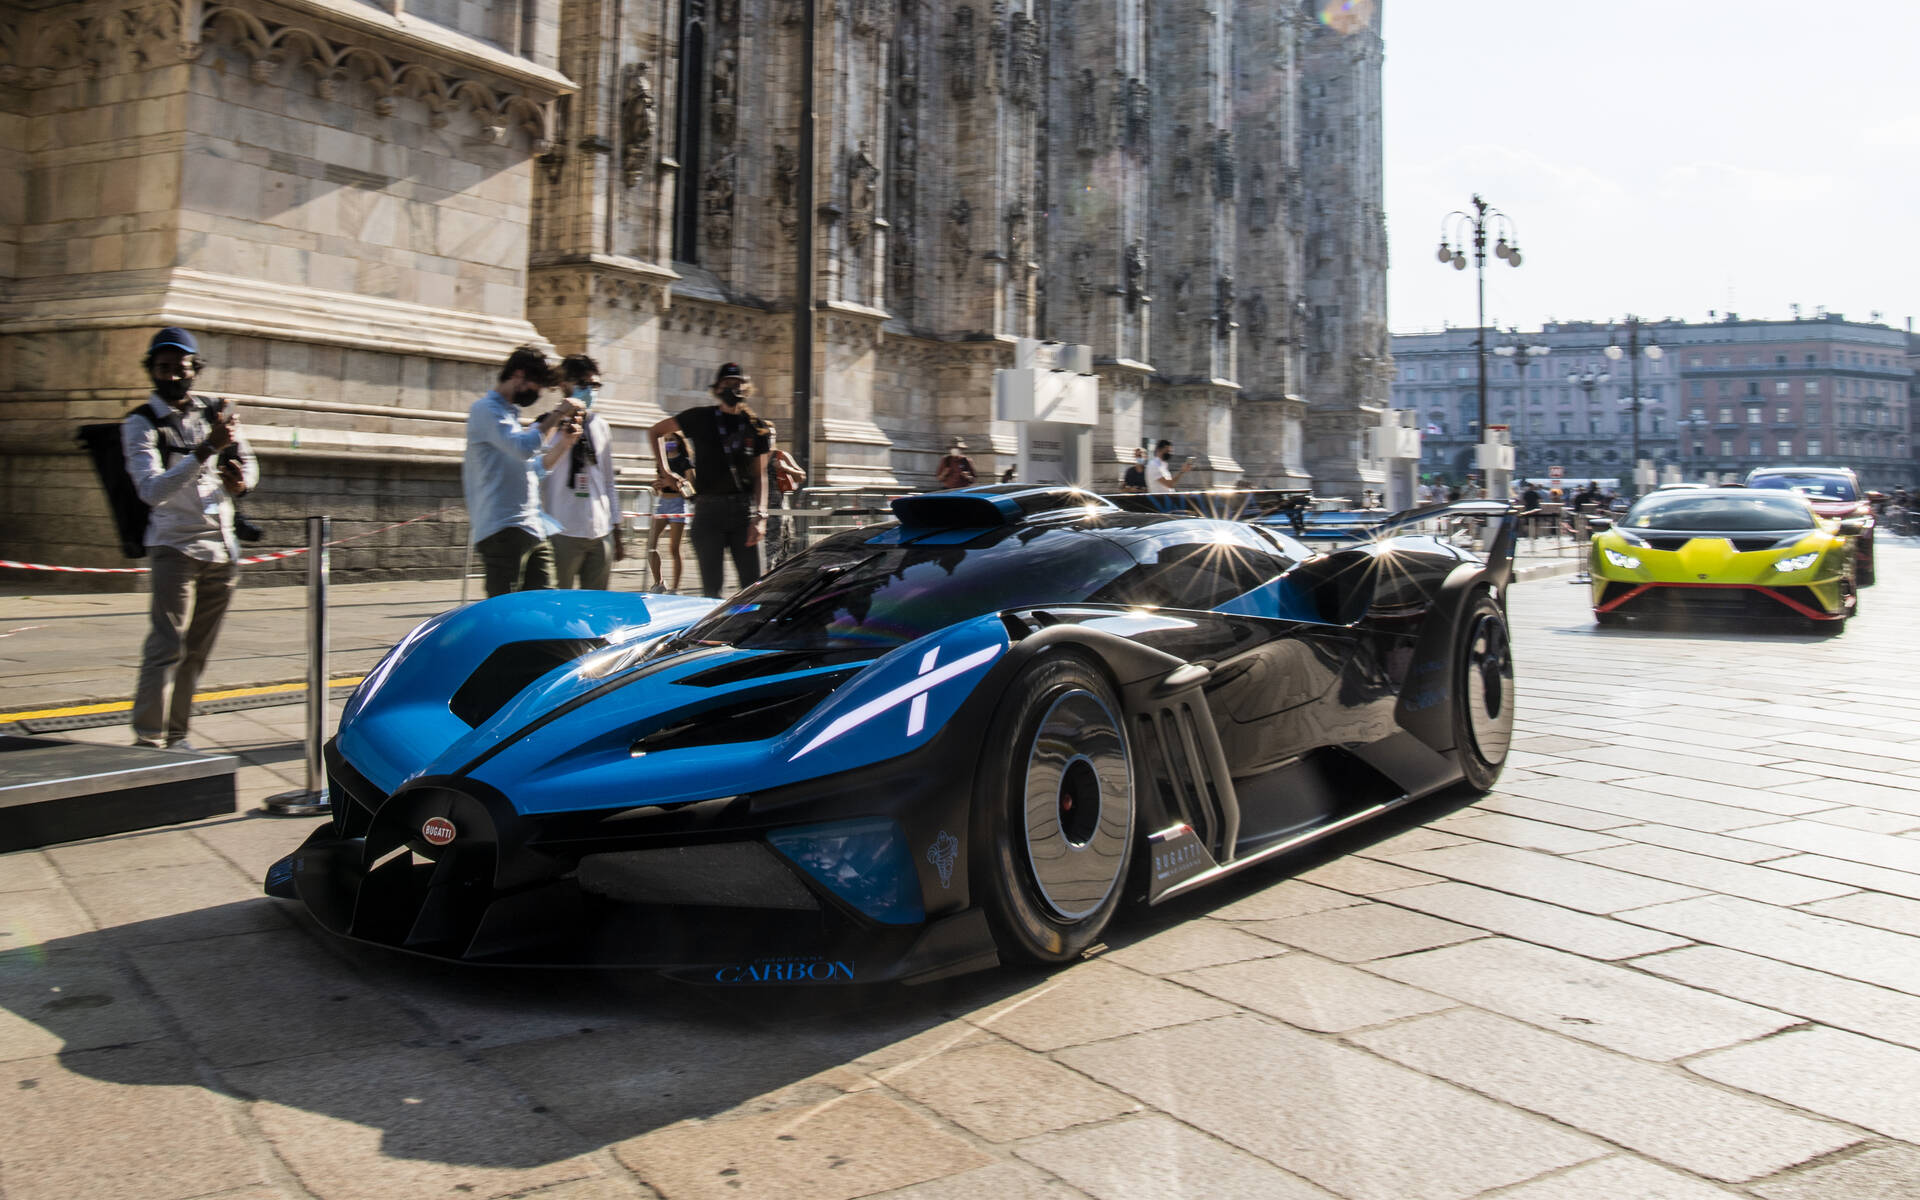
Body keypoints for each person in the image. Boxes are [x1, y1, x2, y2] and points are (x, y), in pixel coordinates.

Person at [124, 327, 260, 750]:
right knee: (166, 646)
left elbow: (249, 460)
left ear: (194, 369)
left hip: (222, 548)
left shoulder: (216, 411)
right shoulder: (141, 423)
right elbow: (151, 491)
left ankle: (178, 735)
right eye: (162, 368)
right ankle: (149, 737)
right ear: (152, 371)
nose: (172, 375)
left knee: (197, 652)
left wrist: (241, 483)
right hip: (174, 546)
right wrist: (204, 450)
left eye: (180, 367)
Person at [465, 345, 581, 598]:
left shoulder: (509, 417)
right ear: (518, 375)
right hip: (503, 530)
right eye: (537, 384)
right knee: (506, 613)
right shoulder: (486, 410)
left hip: (532, 527)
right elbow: (523, 448)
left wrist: (564, 443)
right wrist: (559, 411)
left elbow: (533, 470)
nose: (538, 392)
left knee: (545, 606)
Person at [649, 362, 771, 597]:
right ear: (716, 389)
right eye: (727, 384)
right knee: (712, 590)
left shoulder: (757, 428)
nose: (732, 389)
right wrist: (665, 472)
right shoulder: (700, 417)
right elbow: (655, 431)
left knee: (753, 587)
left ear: (746, 389)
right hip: (708, 512)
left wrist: (761, 516)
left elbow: (760, 475)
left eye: (737, 384)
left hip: (742, 512)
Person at [542, 354, 622, 590]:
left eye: (595, 385)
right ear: (565, 384)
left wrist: (616, 529)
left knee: (595, 607)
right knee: (558, 606)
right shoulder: (547, 426)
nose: (590, 390)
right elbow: (536, 474)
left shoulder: (601, 425)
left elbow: (608, 481)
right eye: (584, 384)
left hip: (599, 530)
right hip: (562, 530)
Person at [648, 433, 693, 592]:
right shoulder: (661, 461)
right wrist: (656, 486)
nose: (668, 443)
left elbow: (691, 490)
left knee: (674, 548)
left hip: (678, 504)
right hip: (662, 503)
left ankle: (675, 587)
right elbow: (657, 486)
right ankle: (658, 582)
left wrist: (676, 484)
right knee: (650, 545)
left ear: (679, 442)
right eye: (665, 440)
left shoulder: (685, 461)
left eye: (671, 440)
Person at [764, 424, 806, 564]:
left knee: (776, 555)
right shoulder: (753, 456)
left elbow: (801, 476)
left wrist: (785, 468)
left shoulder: (781, 455)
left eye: (773, 435)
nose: (770, 438)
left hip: (778, 512)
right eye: (767, 434)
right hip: (758, 511)